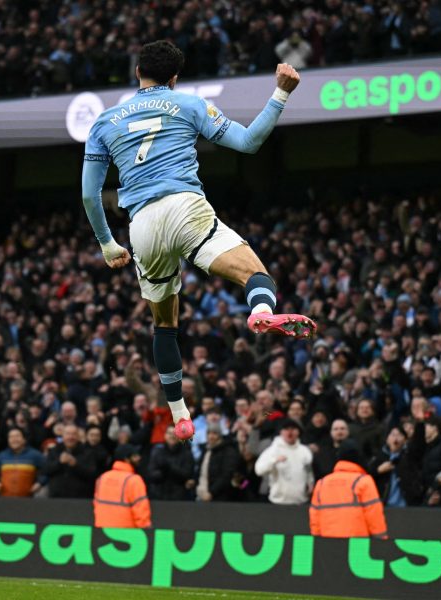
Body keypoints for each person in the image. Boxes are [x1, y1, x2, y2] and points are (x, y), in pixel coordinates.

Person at [81, 40, 316, 441]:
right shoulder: (189, 105)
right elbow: (248, 143)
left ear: (138, 72)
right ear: (174, 78)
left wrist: (107, 244)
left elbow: (89, 193)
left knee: (165, 324)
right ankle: (260, 310)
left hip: (141, 226)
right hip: (185, 207)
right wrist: (280, 93)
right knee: (255, 274)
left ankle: (179, 415)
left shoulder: (104, 122)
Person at [309, 440, 388, 538]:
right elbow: (374, 515)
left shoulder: (321, 483)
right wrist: (382, 540)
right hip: (357, 546)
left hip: (327, 545)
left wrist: (317, 540)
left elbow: (314, 517)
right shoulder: (364, 481)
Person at [254, 419, 313, 505]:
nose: (290, 432)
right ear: (281, 432)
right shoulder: (273, 450)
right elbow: (258, 470)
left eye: (293, 429)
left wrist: (311, 483)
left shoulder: (304, 451)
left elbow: (309, 471)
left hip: (300, 501)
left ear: (298, 432)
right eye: (286, 429)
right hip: (278, 502)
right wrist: (274, 461)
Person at [94, 444, 151, 528]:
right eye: (135, 456)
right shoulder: (134, 480)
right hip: (128, 534)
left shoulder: (102, 478)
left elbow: (96, 505)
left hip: (102, 532)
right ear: (126, 459)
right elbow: (141, 509)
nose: (139, 458)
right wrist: (146, 529)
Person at [44, 424, 97, 498]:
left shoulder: (87, 452)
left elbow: (92, 474)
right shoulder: (54, 450)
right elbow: (46, 470)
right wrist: (59, 462)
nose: (70, 437)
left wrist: (76, 464)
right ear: (63, 436)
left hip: (80, 498)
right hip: (56, 497)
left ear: (78, 437)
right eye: (68, 434)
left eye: (74, 434)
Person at [0, 428, 45, 497]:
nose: (14, 439)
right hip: (4, 500)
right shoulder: (2, 456)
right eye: (11, 437)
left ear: (24, 439)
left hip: (27, 500)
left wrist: (40, 483)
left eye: (17, 436)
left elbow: (46, 471)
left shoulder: (35, 455)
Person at [149, 424, 195, 500]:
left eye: (175, 433)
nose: (172, 436)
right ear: (165, 435)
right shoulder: (157, 452)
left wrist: (168, 468)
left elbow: (187, 474)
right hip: (159, 495)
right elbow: (151, 474)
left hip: (179, 497)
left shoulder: (187, 454)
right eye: (169, 433)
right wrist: (164, 473)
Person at [195, 422, 239, 502]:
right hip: (201, 494)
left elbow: (226, 475)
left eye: (214, 433)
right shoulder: (205, 450)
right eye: (209, 433)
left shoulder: (228, 451)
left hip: (219, 498)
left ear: (219, 435)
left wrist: (211, 493)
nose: (211, 436)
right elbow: (200, 472)